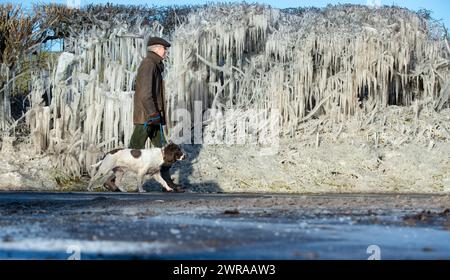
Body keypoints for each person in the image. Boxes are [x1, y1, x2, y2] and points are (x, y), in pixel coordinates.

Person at [104, 36, 184, 192]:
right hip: (147, 118)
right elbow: (145, 92)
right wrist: (153, 113)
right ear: (155, 48)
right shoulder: (148, 64)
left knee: (165, 151)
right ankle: (112, 180)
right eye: (163, 48)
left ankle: (167, 183)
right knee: (134, 150)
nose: (166, 51)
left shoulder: (154, 65)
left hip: (151, 117)